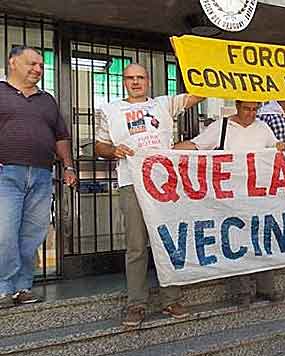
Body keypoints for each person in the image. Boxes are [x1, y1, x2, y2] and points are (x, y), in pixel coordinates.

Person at [95, 63, 204, 327]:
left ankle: (171, 299)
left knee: (168, 242)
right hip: (131, 183)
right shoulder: (109, 110)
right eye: (130, 78)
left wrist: (202, 61)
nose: (135, 82)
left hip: (165, 184)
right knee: (136, 246)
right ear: (123, 82)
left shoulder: (164, 104)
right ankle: (136, 304)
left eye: (140, 77)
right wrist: (113, 151)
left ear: (148, 81)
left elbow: (200, 93)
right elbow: (100, 145)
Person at [174, 100, 285, 306]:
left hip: (258, 196)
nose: (251, 114)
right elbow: (196, 145)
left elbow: (275, 148)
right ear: (237, 105)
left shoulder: (263, 128)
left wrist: (280, 147)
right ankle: (242, 291)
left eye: (255, 110)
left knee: (262, 239)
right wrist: (166, 151)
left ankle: (266, 286)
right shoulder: (222, 126)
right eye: (246, 109)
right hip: (231, 196)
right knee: (235, 241)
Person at [0, 46, 77, 309]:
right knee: (4, 232)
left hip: (43, 175)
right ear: (13, 63)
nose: (38, 69)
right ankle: (3, 288)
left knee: (32, 234)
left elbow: (61, 136)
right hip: (6, 173)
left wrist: (68, 166)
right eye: (32, 63)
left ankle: (22, 287)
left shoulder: (47, 99)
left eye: (41, 65)